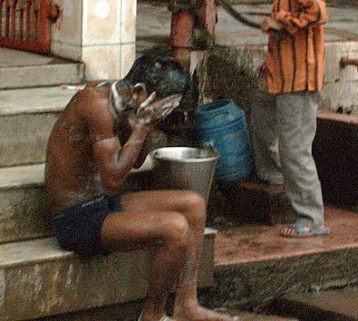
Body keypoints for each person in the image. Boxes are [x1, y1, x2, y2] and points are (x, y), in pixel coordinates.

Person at [45, 52, 232, 321]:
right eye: (165, 106)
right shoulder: (95, 104)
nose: (168, 112)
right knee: (175, 229)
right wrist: (142, 126)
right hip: (77, 220)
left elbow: (136, 161)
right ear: (140, 91)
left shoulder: (127, 101)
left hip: (103, 204)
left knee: (193, 205)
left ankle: (186, 305)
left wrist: (145, 125)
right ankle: (151, 316)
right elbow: (113, 178)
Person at [250, 0, 330, 238]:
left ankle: (311, 218)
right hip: (279, 78)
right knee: (261, 120)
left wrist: (279, 21)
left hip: (298, 83)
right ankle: (275, 174)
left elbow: (319, 13)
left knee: (295, 149)